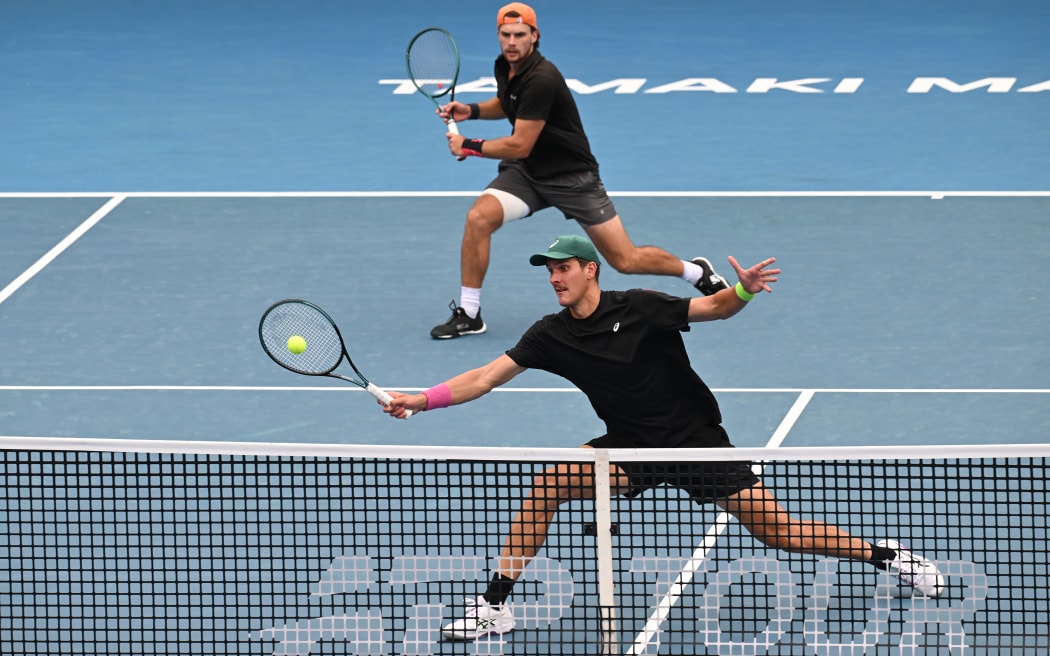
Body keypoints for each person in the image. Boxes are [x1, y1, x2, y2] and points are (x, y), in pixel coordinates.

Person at [383, 234, 946, 641]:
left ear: (590, 271)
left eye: (563, 268)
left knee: (780, 533)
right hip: (630, 445)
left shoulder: (643, 308)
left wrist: (743, 291)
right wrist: (421, 399)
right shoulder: (549, 335)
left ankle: (892, 557)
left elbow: (715, 308)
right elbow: (484, 377)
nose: (554, 278)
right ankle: (495, 606)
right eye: (548, 271)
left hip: (694, 442)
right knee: (548, 484)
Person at [429, 2, 729, 339]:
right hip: (527, 174)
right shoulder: (506, 66)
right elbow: (509, 102)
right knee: (478, 219)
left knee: (625, 260)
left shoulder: (542, 78)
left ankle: (694, 271)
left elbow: (520, 144)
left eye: (519, 35)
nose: (511, 42)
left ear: (534, 36)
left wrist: (468, 145)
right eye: (505, 35)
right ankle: (470, 313)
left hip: (572, 178)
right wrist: (470, 109)